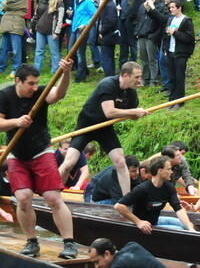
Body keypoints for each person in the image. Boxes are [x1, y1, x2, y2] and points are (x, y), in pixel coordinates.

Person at [0, 61, 78, 258]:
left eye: (37, 83)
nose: (34, 87)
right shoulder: (4, 96)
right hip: (17, 154)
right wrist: (16, 122)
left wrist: (66, 73)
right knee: (23, 197)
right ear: (18, 81)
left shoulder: (40, 93)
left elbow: (59, 94)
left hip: (41, 151)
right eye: (30, 83)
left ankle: (69, 244)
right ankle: (31, 242)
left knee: (53, 198)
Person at [58, 62, 147, 196]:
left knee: (120, 161)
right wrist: (134, 111)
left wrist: (137, 114)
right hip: (87, 125)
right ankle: (51, 192)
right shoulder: (108, 84)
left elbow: (131, 116)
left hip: (105, 127)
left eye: (140, 77)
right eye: (137, 77)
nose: (139, 80)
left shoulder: (131, 94)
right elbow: (109, 112)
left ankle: (127, 199)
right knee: (69, 162)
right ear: (126, 75)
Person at [115, 155, 195, 233]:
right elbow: (119, 206)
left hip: (156, 221)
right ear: (160, 171)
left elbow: (178, 208)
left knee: (188, 225)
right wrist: (138, 222)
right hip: (144, 226)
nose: (171, 172)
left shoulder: (169, 187)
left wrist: (190, 227)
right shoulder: (142, 189)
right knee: (179, 229)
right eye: (169, 169)